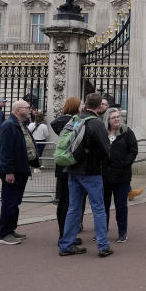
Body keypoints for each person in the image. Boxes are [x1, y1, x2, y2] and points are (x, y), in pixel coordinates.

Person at [58, 92, 112, 257]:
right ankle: (103, 245)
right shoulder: (96, 123)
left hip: (72, 168)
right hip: (91, 171)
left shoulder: (75, 119)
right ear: (99, 106)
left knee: (73, 208)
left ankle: (66, 244)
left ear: (86, 104)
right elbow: (105, 150)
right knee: (98, 208)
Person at [0, 100, 36, 243]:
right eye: (27, 107)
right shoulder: (9, 125)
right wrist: (9, 171)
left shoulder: (19, 124)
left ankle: (11, 229)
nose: (30, 110)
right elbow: (5, 151)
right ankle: (4, 233)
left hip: (20, 168)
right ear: (18, 110)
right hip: (13, 170)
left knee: (15, 201)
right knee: (9, 202)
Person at [102, 107, 138, 244]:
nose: (117, 119)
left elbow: (133, 150)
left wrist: (124, 163)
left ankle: (122, 232)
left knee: (121, 205)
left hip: (122, 176)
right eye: (113, 117)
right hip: (105, 175)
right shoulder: (103, 133)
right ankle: (102, 231)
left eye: (118, 117)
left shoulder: (127, 132)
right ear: (108, 120)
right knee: (103, 206)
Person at [50, 97, 80, 243]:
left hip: (61, 164)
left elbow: (53, 123)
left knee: (63, 201)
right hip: (69, 164)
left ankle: (64, 233)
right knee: (68, 202)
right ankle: (65, 235)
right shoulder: (73, 120)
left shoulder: (60, 121)